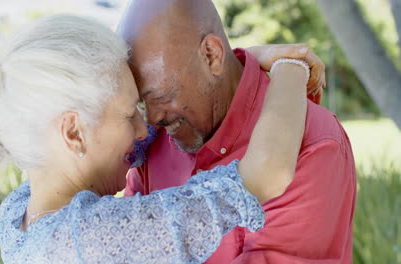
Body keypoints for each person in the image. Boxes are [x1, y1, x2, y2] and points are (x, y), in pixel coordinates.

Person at [0, 14, 312, 263]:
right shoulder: (89, 241)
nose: (145, 128)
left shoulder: (19, 212)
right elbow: (266, 173)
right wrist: (291, 67)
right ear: (73, 132)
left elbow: (145, 133)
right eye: (130, 114)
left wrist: (237, 63)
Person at [120, 0, 357, 263]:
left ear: (211, 55)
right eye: (142, 102)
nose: (152, 119)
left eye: (162, 96)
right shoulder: (152, 139)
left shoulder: (311, 143)